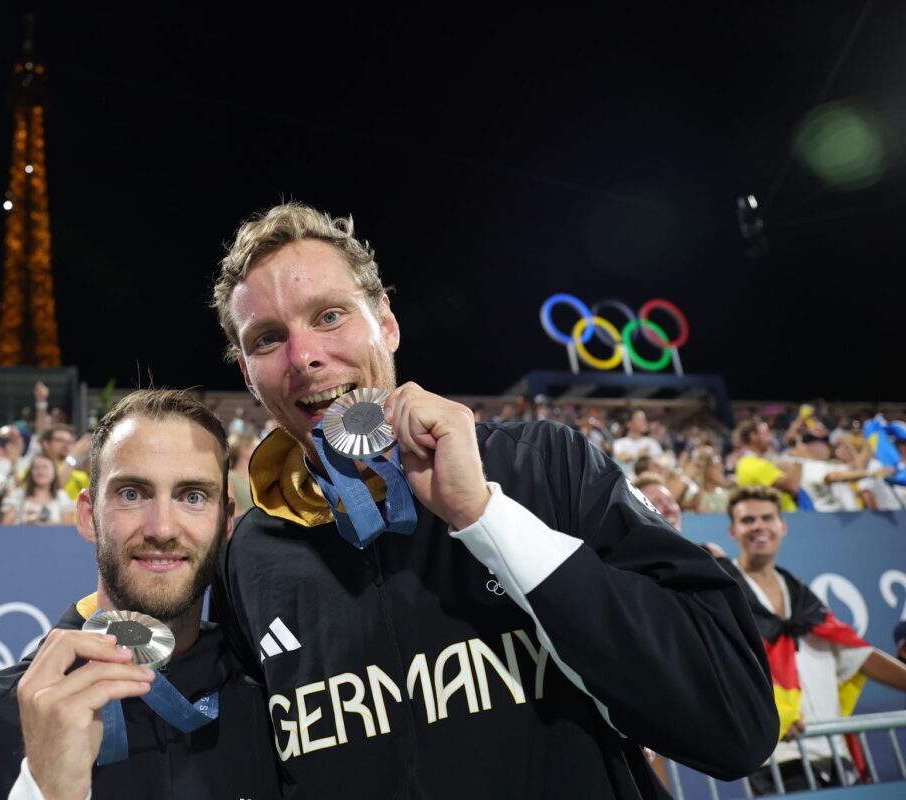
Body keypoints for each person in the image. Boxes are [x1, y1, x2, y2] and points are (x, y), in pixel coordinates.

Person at [209, 201, 778, 797]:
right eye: (269, 339)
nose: (304, 358)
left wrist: (482, 514)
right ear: (249, 375)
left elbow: (734, 720)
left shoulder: (544, 465)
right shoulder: (246, 557)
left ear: (387, 323)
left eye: (329, 316)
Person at [0, 389, 280, 799]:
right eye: (132, 494)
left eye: (193, 497)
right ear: (88, 516)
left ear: (226, 522)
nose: (162, 528)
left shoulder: (278, 714)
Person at [718, 486, 906, 793]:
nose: (759, 527)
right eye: (748, 520)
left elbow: (857, 655)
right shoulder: (724, 595)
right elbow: (720, 671)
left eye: (767, 518)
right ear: (733, 530)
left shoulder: (803, 596)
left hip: (837, 757)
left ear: (783, 525)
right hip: (777, 760)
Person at [1, 454, 75, 525]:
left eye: (45, 467)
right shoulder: (18, 496)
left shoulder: (62, 497)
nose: (41, 472)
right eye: (36, 468)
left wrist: (50, 524)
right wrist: (26, 523)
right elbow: (5, 529)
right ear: (30, 472)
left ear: (54, 472)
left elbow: (67, 530)